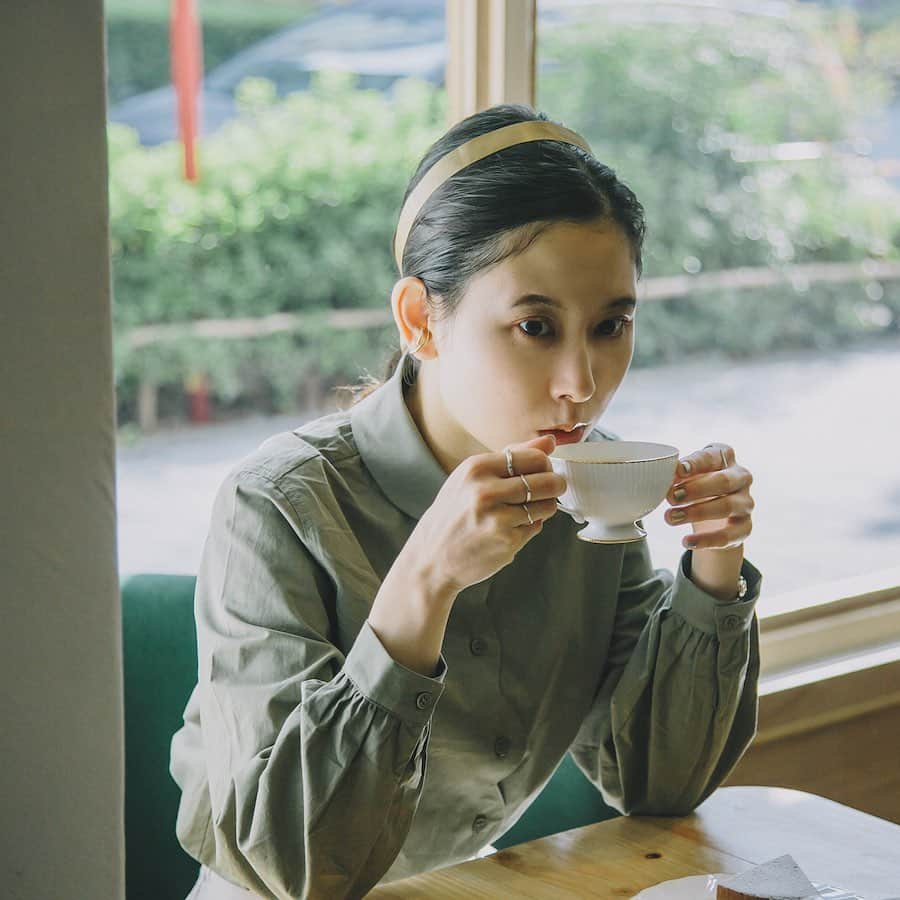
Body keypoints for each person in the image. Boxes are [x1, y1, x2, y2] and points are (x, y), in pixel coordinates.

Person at [171, 103, 761, 900]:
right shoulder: (277, 507)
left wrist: (713, 571)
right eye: (534, 326)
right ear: (421, 318)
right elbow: (295, 869)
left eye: (611, 324)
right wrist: (424, 586)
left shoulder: (585, 484)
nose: (581, 385)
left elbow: (658, 787)